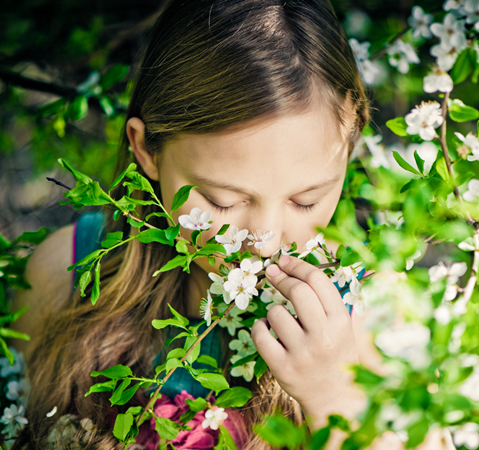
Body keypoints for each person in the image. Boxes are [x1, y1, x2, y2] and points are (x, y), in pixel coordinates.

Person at [8, 0, 454, 448]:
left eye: (306, 200)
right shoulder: (65, 277)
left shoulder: (377, 318)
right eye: (222, 201)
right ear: (147, 151)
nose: (265, 242)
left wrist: (335, 398)